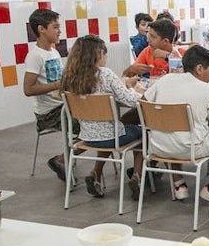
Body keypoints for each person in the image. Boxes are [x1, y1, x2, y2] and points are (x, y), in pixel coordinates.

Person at [145, 44, 209, 201]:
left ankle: (179, 185)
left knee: (171, 132)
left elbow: (143, 103)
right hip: (191, 148)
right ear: (199, 68)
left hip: (158, 146)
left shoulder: (165, 80)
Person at [59, 34, 145, 200]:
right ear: (98, 54)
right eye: (105, 54)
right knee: (143, 132)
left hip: (86, 138)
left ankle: (96, 174)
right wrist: (136, 90)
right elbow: (130, 101)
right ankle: (137, 176)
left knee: (108, 130)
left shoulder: (69, 76)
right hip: (113, 137)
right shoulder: (105, 74)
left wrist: (123, 86)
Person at [23, 8, 76, 183]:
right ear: (41, 29)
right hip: (49, 113)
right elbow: (28, 89)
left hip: (62, 105)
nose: (59, 30)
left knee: (95, 119)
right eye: (55, 27)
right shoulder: (35, 56)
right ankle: (60, 158)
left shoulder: (53, 52)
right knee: (93, 126)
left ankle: (70, 155)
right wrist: (57, 85)